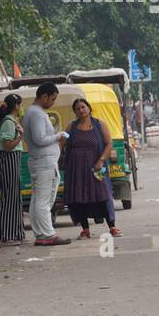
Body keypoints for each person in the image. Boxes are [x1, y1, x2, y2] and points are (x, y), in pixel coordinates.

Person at [63, 97, 120, 239]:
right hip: (76, 170)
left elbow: (109, 144)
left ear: (88, 108)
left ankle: (112, 226)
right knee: (79, 198)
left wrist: (101, 160)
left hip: (96, 168)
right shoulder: (71, 126)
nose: (81, 110)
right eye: (77, 109)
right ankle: (85, 229)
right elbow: (62, 143)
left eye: (83, 107)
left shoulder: (100, 124)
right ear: (75, 112)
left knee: (103, 195)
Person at [24, 82, 70, 246]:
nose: (53, 102)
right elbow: (39, 139)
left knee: (38, 200)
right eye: (53, 99)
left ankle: (40, 233)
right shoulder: (36, 113)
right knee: (44, 200)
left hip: (41, 161)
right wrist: (58, 136)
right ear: (44, 96)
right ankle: (48, 234)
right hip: (43, 163)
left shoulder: (33, 112)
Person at [0, 93, 25, 246]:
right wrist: (20, 136)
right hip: (9, 160)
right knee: (10, 197)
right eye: (20, 105)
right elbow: (7, 145)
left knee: (13, 197)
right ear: (16, 106)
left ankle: (15, 232)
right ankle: (7, 233)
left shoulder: (11, 121)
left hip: (12, 161)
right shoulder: (8, 123)